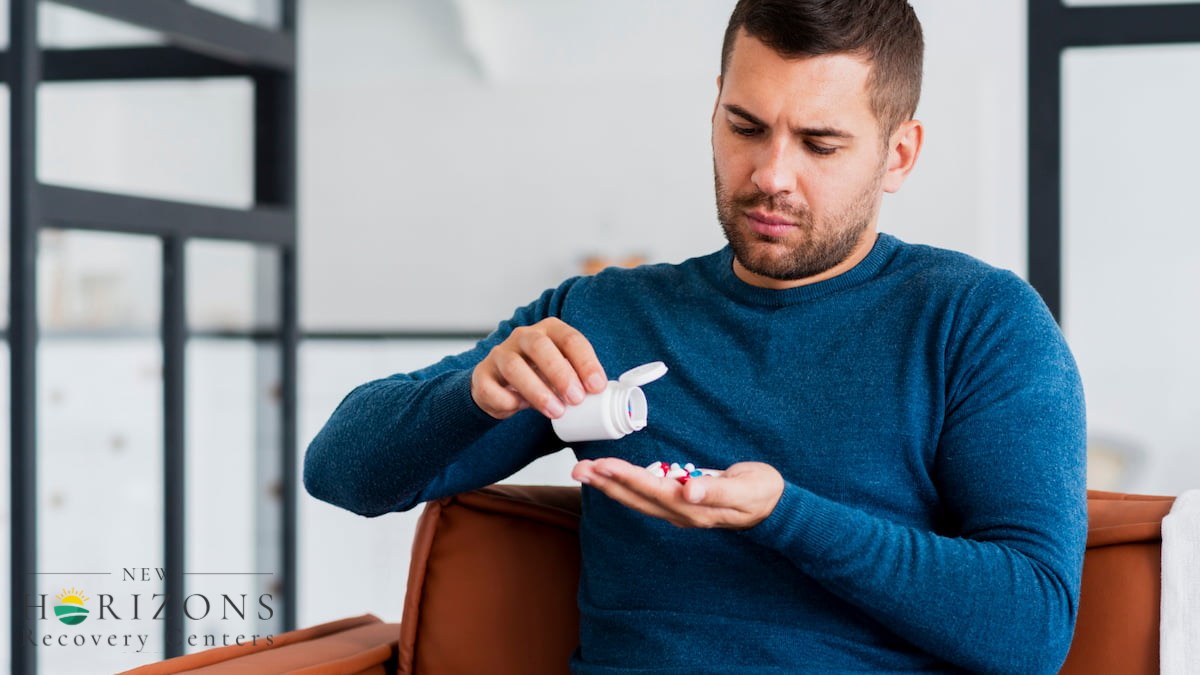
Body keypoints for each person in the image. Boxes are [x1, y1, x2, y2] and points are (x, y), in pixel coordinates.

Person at [304, 0, 1087, 672]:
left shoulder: (978, 321)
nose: (771, 175)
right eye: (746, 126)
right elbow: (339, 472)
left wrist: (785, 515)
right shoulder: (609, 314)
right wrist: (474, 395)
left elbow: (1033, 628)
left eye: (819, 143)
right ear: (715, 107)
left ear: (899, 154)